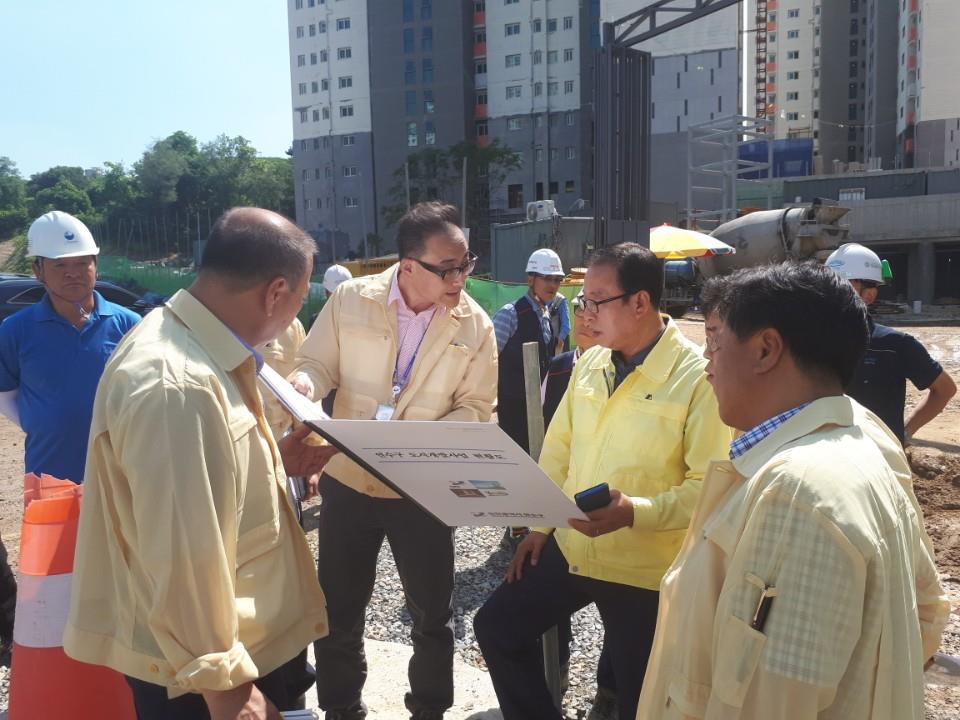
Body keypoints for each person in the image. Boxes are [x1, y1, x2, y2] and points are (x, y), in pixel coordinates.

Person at [636, 262, 950, 720]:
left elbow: (763, 703)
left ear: (765, 350)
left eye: (716, 344)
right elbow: (927, 611)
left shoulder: (796, 495)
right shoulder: (862, 439)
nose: (707, 366)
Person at [64, 208, 338, 720]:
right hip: (202, 672)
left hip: (234, 644)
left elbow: (199, 484)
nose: (294, 316)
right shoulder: (178, 384)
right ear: (276, 292)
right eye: (301, 299)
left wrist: (275, 461)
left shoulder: (200, 350)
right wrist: (227, 688)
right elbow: (178, 551)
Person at [474, 242, 731, 720]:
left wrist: (635, 511)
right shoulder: (589, 363)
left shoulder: (698, 377)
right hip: (574, 546)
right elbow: (559, 451)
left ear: (640, 302)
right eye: (581, 300)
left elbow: (710, 488)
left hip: (646, 571)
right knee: (496, 628)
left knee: (642, 701)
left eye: (596, 300)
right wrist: (539, 528)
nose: (584, 313)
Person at [290, 201, 497, 720]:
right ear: (407, 265)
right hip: (349, 479)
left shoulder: (475, 324)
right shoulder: (351, 299)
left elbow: (477, 408)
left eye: (465, 263)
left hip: (422, 488)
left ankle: (428, 710)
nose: (460, 278)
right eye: (446, 268)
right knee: (339, 609)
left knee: (432, 615)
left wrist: (413, 443)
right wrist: (303, 386)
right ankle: (342, 708)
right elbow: (316, 363)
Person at [0, 210, 141, 485]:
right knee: (54, 530)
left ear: (95, 266)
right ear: (37, 270)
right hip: (50, 476)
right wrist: (44, 424)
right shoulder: (15, 330)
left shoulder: (129, 324)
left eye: (82, 263)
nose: (73, 274)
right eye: (60, 265)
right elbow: (5, 395)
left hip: (119, 476)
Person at [826, 243, 956, 444]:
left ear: (869, 294)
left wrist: (903, 433)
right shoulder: (812, 343)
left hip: (880, 461)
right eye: (826, 285)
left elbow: (945, 389)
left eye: (841, 284)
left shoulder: (895, 345)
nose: (829, 293)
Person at [493, 247, 570, 453]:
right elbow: (487, 361)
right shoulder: (510, 314)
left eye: (557, 280)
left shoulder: (547, 314)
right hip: (511, 408)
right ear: (531, 280)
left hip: (537, 407)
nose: (553, 285)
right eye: (547, 278)